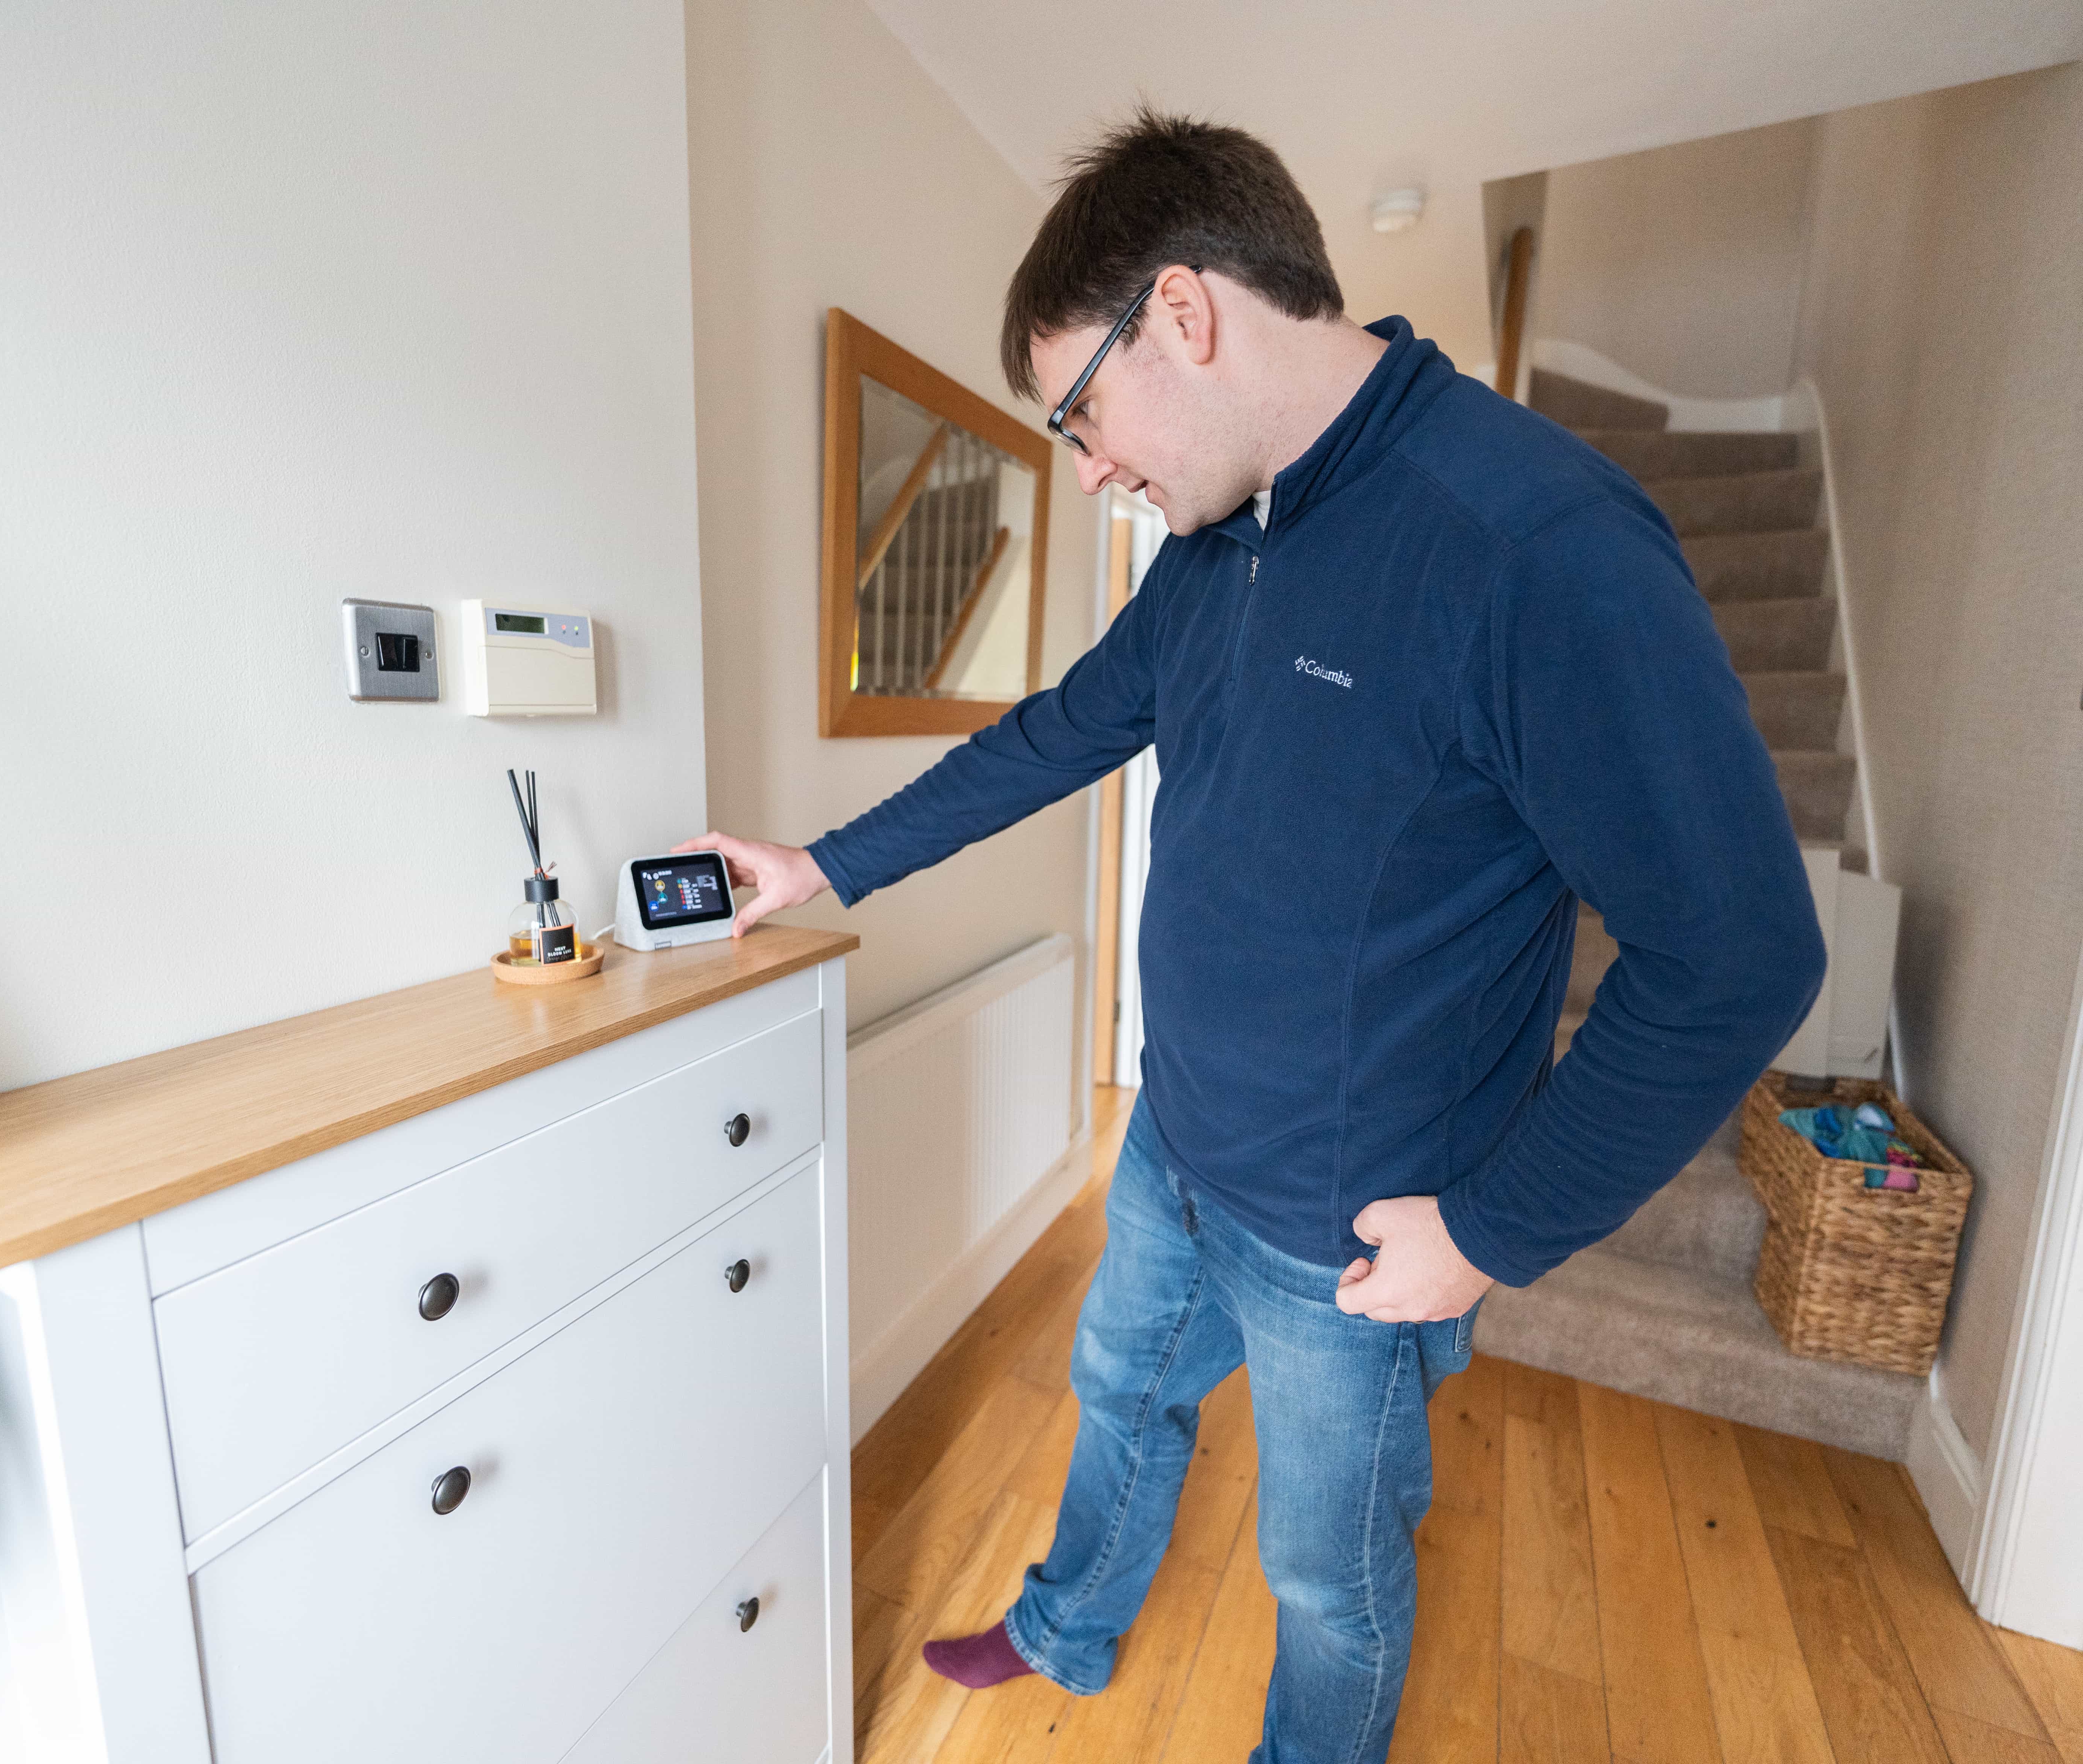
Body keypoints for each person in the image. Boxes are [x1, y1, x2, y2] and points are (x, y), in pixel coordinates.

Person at [679, 109, 1824, 1764]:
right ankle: (1070, 1621)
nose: (1087, 474)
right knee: (1119, 1391)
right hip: (1176, 1138)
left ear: (1186, 315)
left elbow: (1731, 960)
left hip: (1353, 1226)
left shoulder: (1531, 546)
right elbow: (1061, 730)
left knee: (1327, 1577)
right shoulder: (1221, 541)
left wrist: (1490, 1231)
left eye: (1079, 416)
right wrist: (820, 863)